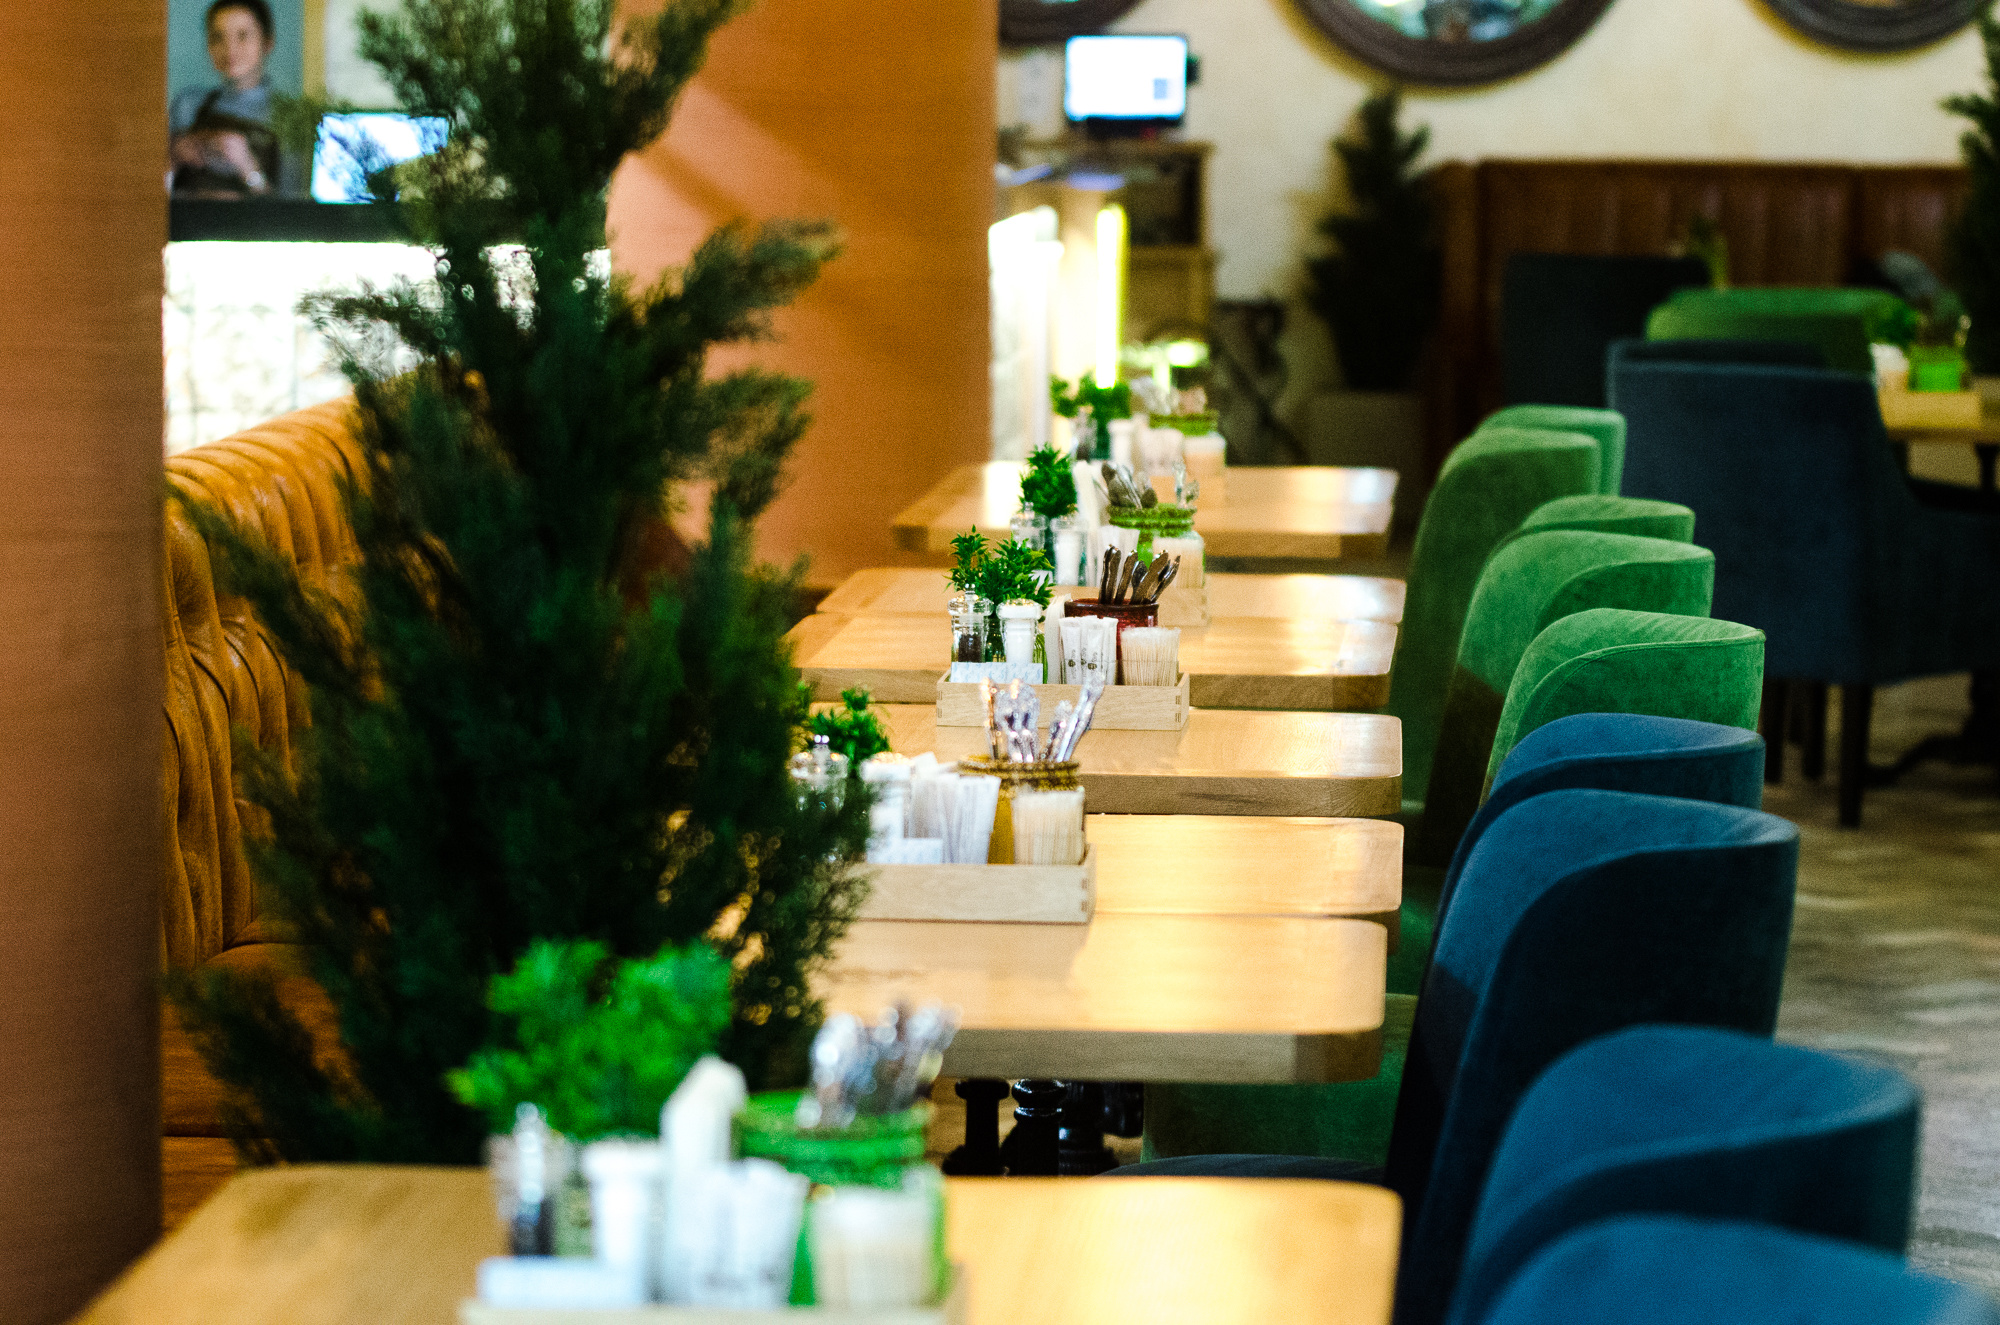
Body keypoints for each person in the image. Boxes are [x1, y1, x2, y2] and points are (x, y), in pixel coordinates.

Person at [168, 0, 284, 197]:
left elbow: (295, 207)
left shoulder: (286, 116)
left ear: (267, 42)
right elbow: (149, 196)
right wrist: (173, 159)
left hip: (251, 219)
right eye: (218, 37)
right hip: (189, 216)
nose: (230, 48)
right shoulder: (187, 104)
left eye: (242, 36)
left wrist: (247, 166)